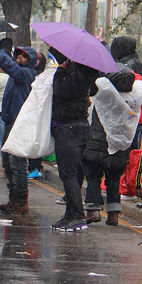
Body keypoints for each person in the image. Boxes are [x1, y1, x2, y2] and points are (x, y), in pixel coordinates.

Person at [0, 38, 37, 214]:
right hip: (10, 123)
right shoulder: (15, 75)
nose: (19, 57)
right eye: (18, 54)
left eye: (24, 56)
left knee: (18, 163)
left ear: (31, 60)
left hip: (19, 125)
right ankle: (13, 199)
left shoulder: (26, 74)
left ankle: (21, 200)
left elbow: (11, 67)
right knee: (8, 163)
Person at [46, 48, 99, 232]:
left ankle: (77, 216)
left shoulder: (77, 76)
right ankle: (70, 214)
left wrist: (60, 70)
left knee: (68, 175)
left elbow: (59, 91)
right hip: (80, 127)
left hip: (69, 128)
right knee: (70, 174)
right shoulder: (87, 77)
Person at [82, 64, 136, 227]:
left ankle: (93, 210)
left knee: (93, 178)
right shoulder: (132, 99)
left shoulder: (103, 96)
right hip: (118, 149)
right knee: (113, 180)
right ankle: (113, 215)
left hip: (97, 146)